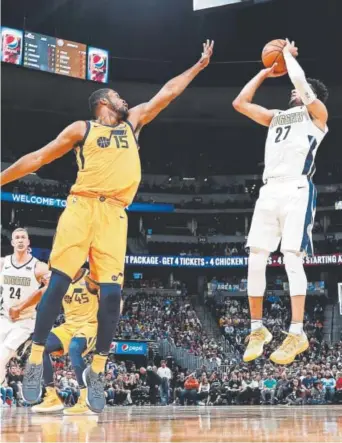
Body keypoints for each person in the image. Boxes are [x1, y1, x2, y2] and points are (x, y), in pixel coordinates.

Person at [0, 40, 214, 412]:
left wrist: (198, 66)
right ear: (103, 102)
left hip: (116, 214)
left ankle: (97, 369)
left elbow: (166, 93)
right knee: (60, 280)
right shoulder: (81, 129)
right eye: (116, 96)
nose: (123, 100)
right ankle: (35, 358)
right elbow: (35, 157)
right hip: (82, 206)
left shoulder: (133, 125)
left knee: (113, 295)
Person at [233, 39, 329, 365]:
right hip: (269, 190)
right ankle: (257, 328)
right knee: (256, 257)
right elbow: (240, 102)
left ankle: (297, 331)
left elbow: (301, 83)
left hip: (297, 189)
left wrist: (287, 55)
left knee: (291, 258)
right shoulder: (276, 117)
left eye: (296, 92)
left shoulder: (317, 116)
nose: (291, 93)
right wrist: (264, 72)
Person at [31, 267, 100, 415]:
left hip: (90, 325)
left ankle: (85, 399)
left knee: (75, 348)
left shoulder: (92, 277)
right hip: (69, 326)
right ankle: (52, 396)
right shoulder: (60, 281)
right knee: (40, 347)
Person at [0, 228, 50, 385]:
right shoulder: (3, 263)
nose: (20, 240)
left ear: (28, 242)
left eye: (23, 237)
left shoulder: (38, 266)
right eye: (17, 237)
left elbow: (50, 286)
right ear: (12, 242)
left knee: (1, 357)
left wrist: (21, 307)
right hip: (4, 318)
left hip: (24, 320)